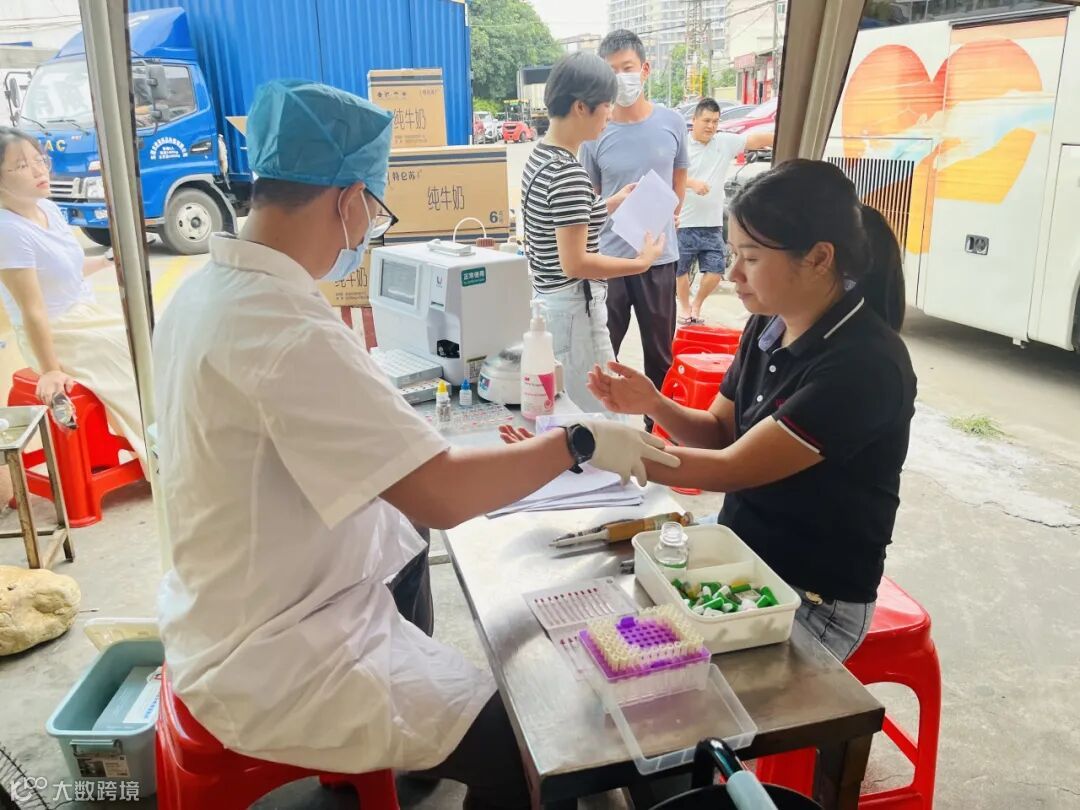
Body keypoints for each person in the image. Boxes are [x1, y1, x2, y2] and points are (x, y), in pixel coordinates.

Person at [152, 79, 679, 810]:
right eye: (373, 209)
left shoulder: (204, 291)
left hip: (231, 601)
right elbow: (443, 495)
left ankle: (421, 756)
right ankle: (450, 751)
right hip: (278, 652)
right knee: (531, 744)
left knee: (406, 550)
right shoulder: (285, 329)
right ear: (347, 200)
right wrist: (580, 440)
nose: (367, 227)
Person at [508, 160, 916, 662]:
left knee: (664, 687)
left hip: (809, 595)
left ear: (818, 258)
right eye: (733, 252)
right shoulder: (769, 324)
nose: (733, 273)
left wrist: (587, 448)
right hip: (740, 553)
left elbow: (732, 469)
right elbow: (722, 431)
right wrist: (653, 404)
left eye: (751, 258)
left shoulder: (863, 366)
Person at [521, 51, 665, 412]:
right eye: (606, 106)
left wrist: (610, 203)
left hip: (552, 304)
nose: (610, 115)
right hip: (574, 312)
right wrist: (641, 263)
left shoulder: (541, 157)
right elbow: (575, 263)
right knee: (599, 418)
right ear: (581, 107)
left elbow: (559, 223)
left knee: (568, 412)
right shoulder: (568, 173)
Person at [0, 127, 146, 469]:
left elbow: (66, 271)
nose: (39, 170)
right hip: (56, 332)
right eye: (21, 165)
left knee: (151, 335)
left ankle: (172, 440)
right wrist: (50, 369)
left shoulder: (48, 209)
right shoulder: (7, 231)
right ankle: (162, 452)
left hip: (84, 315)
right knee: (131, 353)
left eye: (40, 160)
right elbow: (32, 309)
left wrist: (110, 260)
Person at [580, 29, 688, 420]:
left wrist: (667, 216)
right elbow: (591, 198)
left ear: (645, 69)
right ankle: (600, 429)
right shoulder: (595, 132)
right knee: (602, 352)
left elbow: (679, 179)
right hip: (610, 262)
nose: (620, 78)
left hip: (658, 260)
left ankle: (658, 431)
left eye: (626, 68)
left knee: (660, 355)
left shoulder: (672, 122)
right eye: (610, 71)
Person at [677, 98, 773, 324]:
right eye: (706, 121)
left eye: (715, 121)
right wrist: (692, 183)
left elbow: (755, 139)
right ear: (694, 120)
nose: (711, 126)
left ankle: (697, 304)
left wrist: (784, 137)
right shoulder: (681, 146)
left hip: (712, 222)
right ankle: (684, 307)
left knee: (716, 269)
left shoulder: (724, 142)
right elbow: (668, 175)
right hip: (684, 221)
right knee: (680, 270)